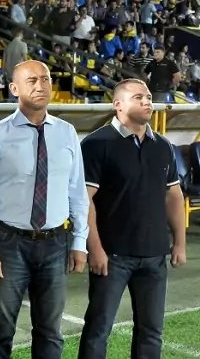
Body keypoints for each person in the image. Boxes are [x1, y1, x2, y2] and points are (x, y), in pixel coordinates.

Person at [0, 60, 89, 359]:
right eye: (32, 81)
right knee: (0, 331)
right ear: (14, 89)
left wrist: (79, 241)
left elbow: (77, 192)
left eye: (45, 79)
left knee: (50, 331)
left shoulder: (67, 133)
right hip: (8, 244)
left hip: (55, 243)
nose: (41, 85)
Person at [78, 78, 187, 359]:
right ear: (118, 105)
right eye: (138, 97)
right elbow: (84, 201)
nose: (147, 101)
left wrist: (179, 243)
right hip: (112, 256)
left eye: (148, 97)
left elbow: (173, 195)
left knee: (151, 331)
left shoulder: (163, 145)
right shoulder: (96, 144)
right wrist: (95, 248)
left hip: (154, 255)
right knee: (98, 329)